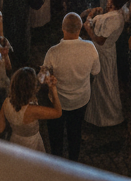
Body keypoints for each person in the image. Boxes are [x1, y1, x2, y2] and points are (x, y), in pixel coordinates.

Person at [42, 12, 101, 161]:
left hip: (58, 101)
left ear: (63, 28)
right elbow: (96, 71)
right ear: (80, 29)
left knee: (56, 135)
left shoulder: (53, 52)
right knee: (75, 132)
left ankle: (57, 162)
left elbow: (43, 77)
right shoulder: (90, 48)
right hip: (80, 99)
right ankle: (73, 162)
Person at [84, 0, 130, 127]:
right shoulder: (120, 14)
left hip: (103, 53)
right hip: (109, 51)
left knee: (104, 84)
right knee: (104, 83)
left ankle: (109, 116)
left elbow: (100, 40)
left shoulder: (112, 19)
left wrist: (88, 26)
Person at [0, 66, 62, 149]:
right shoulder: (32, 110)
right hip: (31, 144)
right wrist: (53, 88)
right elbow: (58, 112)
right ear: (31, 89)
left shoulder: (7, 102)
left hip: (15, 141)